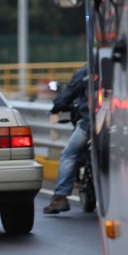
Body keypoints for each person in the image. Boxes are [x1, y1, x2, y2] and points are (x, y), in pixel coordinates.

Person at [43, 63, 90, 214]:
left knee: (69, 154)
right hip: (122, 124)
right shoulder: (122, 65)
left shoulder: (87, 70)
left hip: (91, 122)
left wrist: (57, 105)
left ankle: (60, 198)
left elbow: (67, 96)